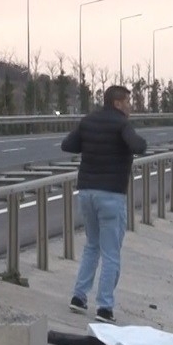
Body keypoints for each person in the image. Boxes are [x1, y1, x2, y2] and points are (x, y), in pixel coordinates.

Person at [64, 85, 149, 323]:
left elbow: (68, 145)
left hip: (87, 192)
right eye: (128, 102)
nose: (130, 106)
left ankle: (79, 297)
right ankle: (104, 307)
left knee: (92, 245)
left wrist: (92, 144)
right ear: (118, 103)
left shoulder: (88, 120)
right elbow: (139, 146)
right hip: (111, 195)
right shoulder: (122, 124)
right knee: (111, 252)